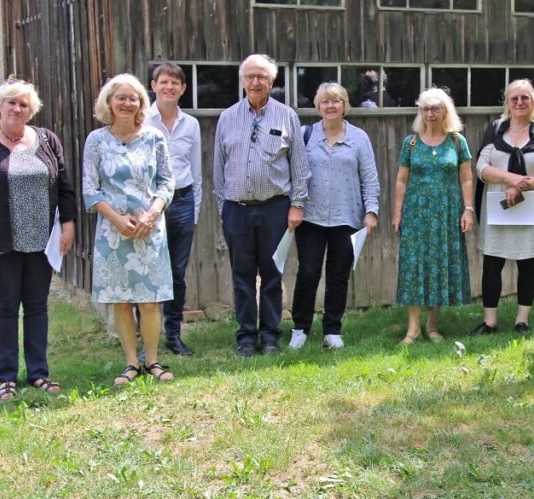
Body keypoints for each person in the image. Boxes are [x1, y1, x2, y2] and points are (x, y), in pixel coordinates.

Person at [0, 78, 76, 401]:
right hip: (1, 241)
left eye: (24, 104)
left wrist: (69, 223)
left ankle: (38, 373)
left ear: (32, 110)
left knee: (36, 307)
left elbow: (65, 186)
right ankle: (6, 377)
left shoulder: (47, 140)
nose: (17, 108)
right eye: (11, 103)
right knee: (5, 308)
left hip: (41, 241)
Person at [213, 54, 310, 357]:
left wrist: (297, 205)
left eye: (262, 77)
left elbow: (300, 165)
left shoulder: (287, 116)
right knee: (241, 275)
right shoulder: (227, 117)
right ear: (242, 80)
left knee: (271, 275)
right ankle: (245, 336)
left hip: (274, 209)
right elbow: (218, 167)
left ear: (272, 81)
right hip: (236, 209)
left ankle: (269, 336)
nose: (256, 82)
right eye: (250, 76)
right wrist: (222, 209)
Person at [82, 74, 175, 384]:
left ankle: (153, 360)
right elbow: (90, 189)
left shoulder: (154, 138)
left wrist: (151, 214)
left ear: (141, 103)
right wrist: (117, 220)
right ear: (108, 102)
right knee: (121, 300)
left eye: (132, 97)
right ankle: (131, 363)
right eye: (120, 97)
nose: (126, 102)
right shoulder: (96, 140)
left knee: (149, 301)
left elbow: (166, 182)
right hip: (113, 231)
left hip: (149, 229)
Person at [290, 83, 380, 350]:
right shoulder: (304, 136)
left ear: (345, 105)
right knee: (308, 273)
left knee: (338, 275)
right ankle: (300, 328)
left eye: (336, 101)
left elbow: (370, 178)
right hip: (311, 217)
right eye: (325, 102)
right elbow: (294, 174)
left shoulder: (359, 138)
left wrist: (371, 211)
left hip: (347, 217)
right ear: (318, 107)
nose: (331, 106)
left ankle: (332, 329)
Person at [471, 79, 534, 336]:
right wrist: (510, 179)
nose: (520, 102)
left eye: (525, 98)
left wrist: (521, 186)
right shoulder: (496, 129)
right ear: (508, 103)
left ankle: (522, 321)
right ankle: (489, 322)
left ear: (532, 102)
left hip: (532, 208)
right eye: (515, 99)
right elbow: (481, 168)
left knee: (527, 265)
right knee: (492, 263)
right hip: (498, 205)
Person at [392, 87, 473, 343]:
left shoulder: (458, 141)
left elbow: (467, 178)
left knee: (439, 265)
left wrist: (468, 209)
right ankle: (413, 328)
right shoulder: (411, 143)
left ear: (445, 111)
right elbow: (402, 180)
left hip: (447, 213)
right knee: (414, 266)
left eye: (435, 108)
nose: (429, 113)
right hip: (416, 213)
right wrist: (397, 212)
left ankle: (433, 326)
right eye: (425, 108)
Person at [145, 62, 202, 356]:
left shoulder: (190, 124)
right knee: (148, 271)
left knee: (176, 273)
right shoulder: (142, 120)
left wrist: (194, 211)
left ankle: (173, 335)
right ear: (153, 86)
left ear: (183, 89)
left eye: (175, 83)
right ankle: (146, 340)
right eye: (163, 82)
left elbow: (196, 171)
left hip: (182, 202)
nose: (169, 87)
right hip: (149, 205)